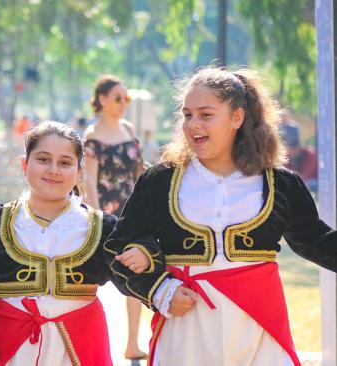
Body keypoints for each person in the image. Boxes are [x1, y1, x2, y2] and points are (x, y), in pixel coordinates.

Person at [104, 66, 337, 366]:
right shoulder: (160, 181)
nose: (193, 124)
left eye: (205, 114)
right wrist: (160, 289)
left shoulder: (281, 184)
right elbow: (117, 248)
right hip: (186, 330)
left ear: (237, 118)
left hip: (259, 333)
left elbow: (317, 242)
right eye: (187, 115)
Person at [0, 121, 149, 366]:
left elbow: (139, 265)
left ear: (78, 172)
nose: (53, 170)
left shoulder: (101, 228)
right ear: (25, 164)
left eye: (65, 163)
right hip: (11, 350)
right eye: (43, 159)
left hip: (81, 350)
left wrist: (142, 254)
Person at [82, 75, 147, 360]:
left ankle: (132, 342)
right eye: (118, 98)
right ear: (103, 99)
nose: (123, 104)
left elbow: (139, 173)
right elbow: (89, 182)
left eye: (126, 99)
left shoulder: (129, 129)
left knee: (136, 274)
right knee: (93, 277)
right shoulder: (92, 135)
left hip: (133, 212)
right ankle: (89, 343)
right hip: (106, 217)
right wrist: (97, 220)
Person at [280, 109, 318, 193]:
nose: (292, 150)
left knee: (311, 184)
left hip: (314, 189)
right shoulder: (285, 160)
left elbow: (304, 179)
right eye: (289, 147)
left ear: (299, 146)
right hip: (298, 191)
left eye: (294, 146)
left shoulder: (310, 154)